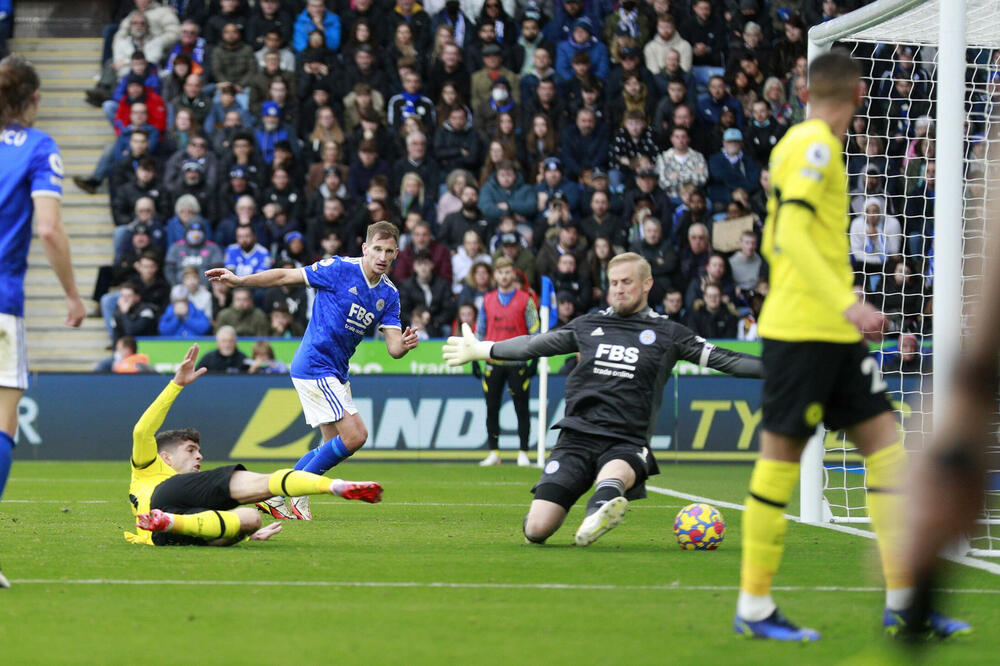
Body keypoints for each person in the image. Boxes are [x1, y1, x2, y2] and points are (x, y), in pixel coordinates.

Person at [734, 50, 968, 642]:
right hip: (801, 331)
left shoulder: (819, 147)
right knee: (782, 459)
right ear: (861, 91)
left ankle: (903, 600)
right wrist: (847, 302)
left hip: (832, 335)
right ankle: (754, 606)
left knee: (886, 446)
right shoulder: (812, 145)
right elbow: (785, 235)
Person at [444, 252, 761, 544]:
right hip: (576, 437)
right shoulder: (589, 324)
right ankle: (569, 512)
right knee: (537, 530)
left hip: (626, 440)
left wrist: (780, 371)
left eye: (627, 282)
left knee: (614, 475)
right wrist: (484, 349)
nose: (619, 289)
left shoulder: (670, 334)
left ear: (647, 284)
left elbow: (727, 360)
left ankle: (597, 515)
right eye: (613, 283)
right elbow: (533, 345)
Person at [206, 221, 419, 520]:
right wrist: (241, 282)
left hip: (336, 371)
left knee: (330, 444)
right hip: (315, 364)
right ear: (365, 248)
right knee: (355, 436)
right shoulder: (338, 268)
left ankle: (276, 495)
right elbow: (284, 275)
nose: (382, 256)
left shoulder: (389, 294)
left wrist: (406, 345)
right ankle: (292, 493)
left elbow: (394, 348)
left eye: (388, 251)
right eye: (377, 249)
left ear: (396, 253)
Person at [128, 344, 383, 546]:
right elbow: (142, 431)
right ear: (165, 457)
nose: (199, 457)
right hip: (162, 499)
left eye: (199, 451)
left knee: (250, 519)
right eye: (190, 450)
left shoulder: (191, 491)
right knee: (261, 482)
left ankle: (171, 522)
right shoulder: (148, 469)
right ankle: (334, 486)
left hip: (161, 535)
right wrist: (176, 385)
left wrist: (245, 536)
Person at [474, 257, 540, 467]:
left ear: (513, 274)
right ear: (495, 275)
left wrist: (535, 360)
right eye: (500, 272)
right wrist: (474, 358)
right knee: (491, 407)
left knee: (522, 408)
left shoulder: (525, 299)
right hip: (492, 362)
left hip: (517, 363)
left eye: (507, 272)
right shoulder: (487, 300)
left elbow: (535, 331)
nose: (504, 276)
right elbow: (480, 331)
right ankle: (494, 452)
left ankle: (523, 452)